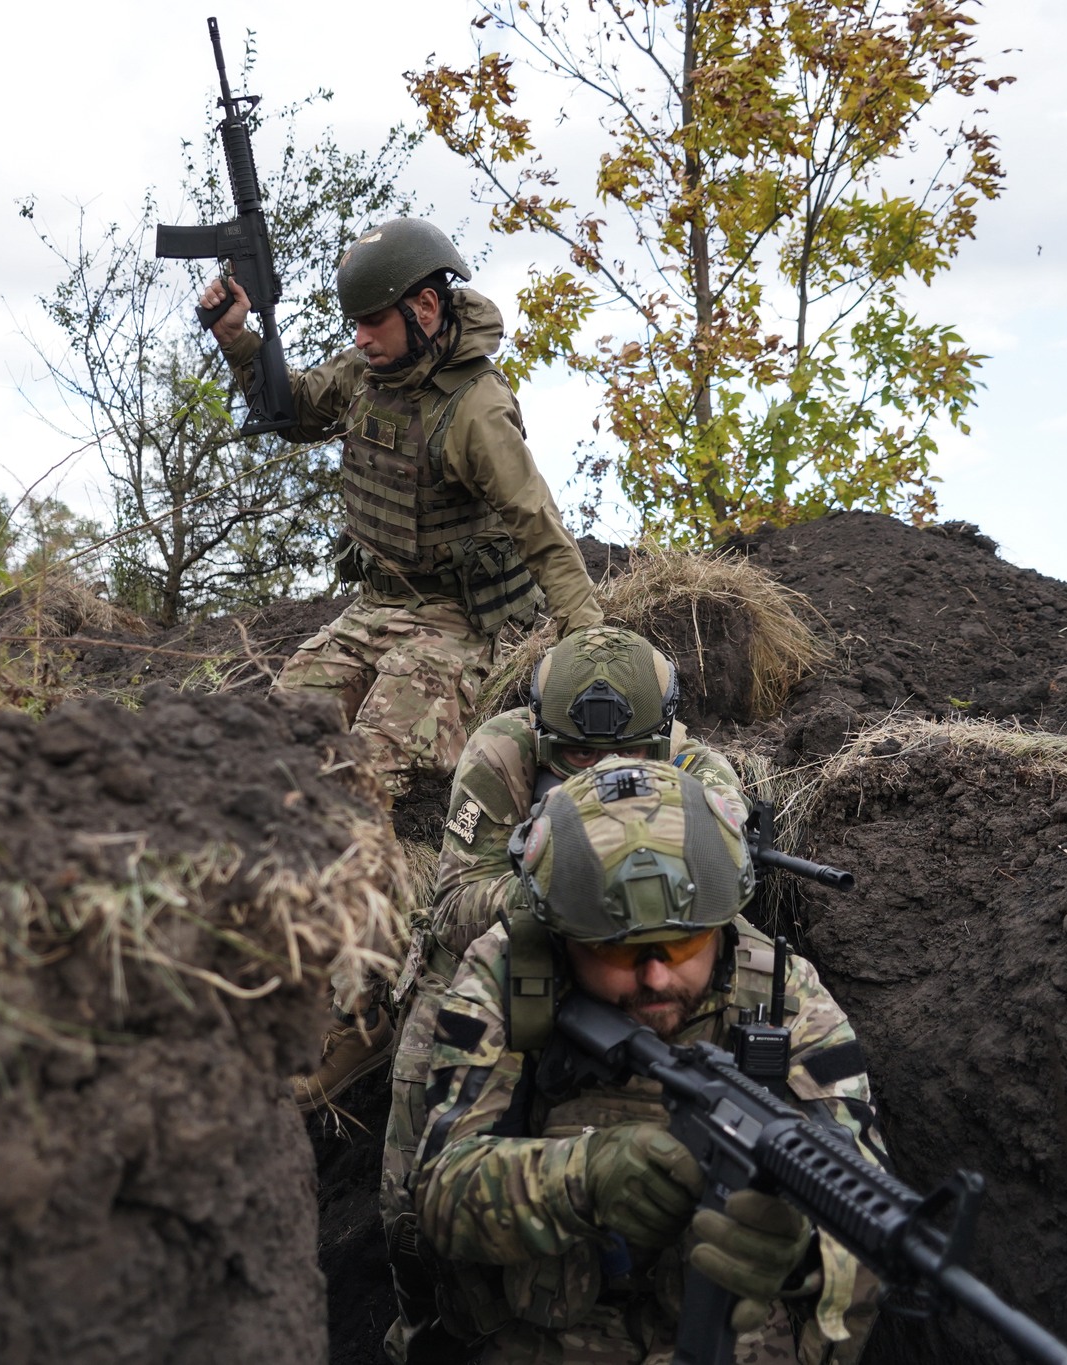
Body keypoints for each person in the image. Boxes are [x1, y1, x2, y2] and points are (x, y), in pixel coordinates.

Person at [401, 757, 885, 1363]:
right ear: (563, 934)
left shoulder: (785, 995)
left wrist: (796, 1249)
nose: (656, 975)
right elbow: (440, 1192)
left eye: (683, 941)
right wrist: (581, 1177)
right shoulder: (509, 975)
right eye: (617, 947)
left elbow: (863, 1192)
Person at [371, 627, 752, 1351]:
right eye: (578, 755)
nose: (603, 769)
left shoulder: (704, 771)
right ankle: (425, 1324)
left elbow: (728, 903)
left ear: (663, 735)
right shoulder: (502, 752)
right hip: (501, 958)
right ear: (544, 735)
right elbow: (454, 904)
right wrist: (556, 890)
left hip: (648, 958)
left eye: (630, 753)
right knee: (407, 1182)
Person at [200, 218, 604, 795]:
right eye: (356, 324)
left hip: (452, 622)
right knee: (270, 747)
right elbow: (294, 412)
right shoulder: (369, 372)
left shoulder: (476, 410)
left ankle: (368, 876)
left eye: (372, 322)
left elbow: (536, 525)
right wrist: (238, 339)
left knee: (362, 775)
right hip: (371, 608)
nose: (360, 339)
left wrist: (591, 645)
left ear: (426, 307)